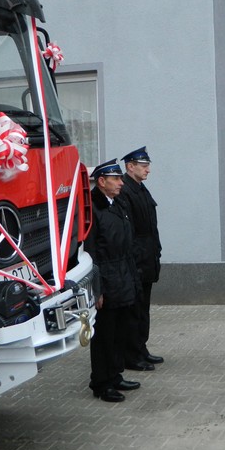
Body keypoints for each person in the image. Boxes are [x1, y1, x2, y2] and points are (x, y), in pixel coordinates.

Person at [85, 159, 143, 402]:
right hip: (107, 279)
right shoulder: (93, 209)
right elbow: (91, 253)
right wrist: (96, 289)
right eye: (116, 179)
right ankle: (101, 382)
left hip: (123, 275)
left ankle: (115, 375)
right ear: (101, 181)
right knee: (104, 335)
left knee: (120, 331)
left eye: (120, 178)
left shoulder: (117, 203)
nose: (121, 183)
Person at [117, 146, 164, 371]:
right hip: (137, 261)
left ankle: (141, 349)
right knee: (133, 311)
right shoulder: (125, 191)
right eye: (144, 166)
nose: (148, 170)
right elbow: (129, 232)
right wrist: (135, 259)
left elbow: (150, 227)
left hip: (147, 258)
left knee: (143, 309)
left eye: (147, 165)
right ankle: (131, 355)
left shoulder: (140, 189)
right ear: (130, 166)